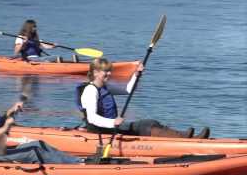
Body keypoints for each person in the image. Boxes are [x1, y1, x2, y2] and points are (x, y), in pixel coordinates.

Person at [0, 68, 82, 164]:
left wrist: (10, 112)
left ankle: (79, 161)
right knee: (33, 152)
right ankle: (79, 166)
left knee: (39, 144)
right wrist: (4, 128)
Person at [76, 58, 210, 139]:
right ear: (95, 73)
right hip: (101, 130)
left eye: (110, 70)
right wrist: (113, 123)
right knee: (146, 125)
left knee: (151, 121)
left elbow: (128, 90)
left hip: (110, 127)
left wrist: (136, 74)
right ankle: (184, 138)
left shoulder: (105, 87)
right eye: (106, 71)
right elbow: (92, 118)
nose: (110, 73)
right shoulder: (90, 91)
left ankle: (183, 136)